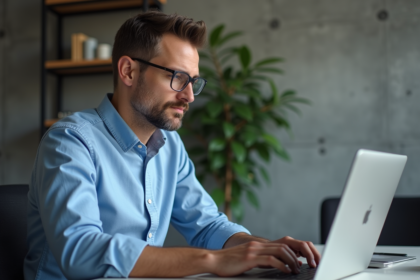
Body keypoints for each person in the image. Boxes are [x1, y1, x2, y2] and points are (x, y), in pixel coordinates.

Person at [24, 11, 320, 280]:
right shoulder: (70, 142)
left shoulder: (170, 147)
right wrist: (213, 261)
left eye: (193, 81)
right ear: (128, 71)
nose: (190, 96)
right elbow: (80, 252)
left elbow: (207, 226)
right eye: (178, 78)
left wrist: (260, 248)